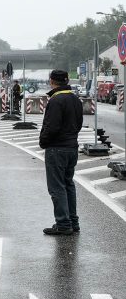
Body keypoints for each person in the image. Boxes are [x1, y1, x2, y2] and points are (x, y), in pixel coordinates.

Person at [38, 69, 83, 235]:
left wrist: (43, 142)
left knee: (57, 187)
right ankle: (73, 221)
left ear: (52, 81)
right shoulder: (75, 99)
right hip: (72, 148)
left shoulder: (56, 100)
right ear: (66, 80)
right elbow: (78, 124)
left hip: (57, 149)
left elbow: (52, 126)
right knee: (68, 184)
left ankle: (63, 224)